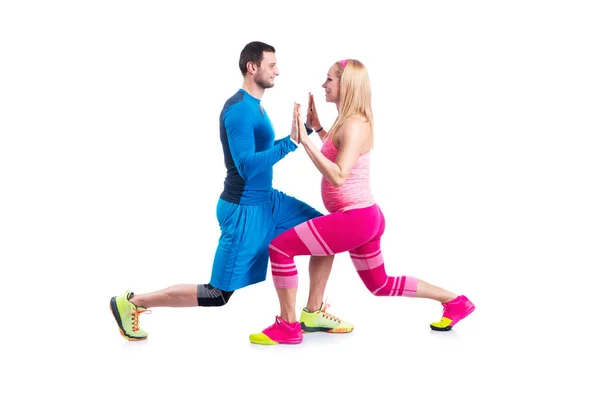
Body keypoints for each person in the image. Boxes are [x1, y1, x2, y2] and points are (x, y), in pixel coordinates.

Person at [110, 42, 353, 341]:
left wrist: (302, 131)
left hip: (270, 202)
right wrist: (292, 142)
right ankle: (132, 302)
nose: (278, 70)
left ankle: (313, 312)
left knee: (326, 234)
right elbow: (247, 166)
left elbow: (264, 152)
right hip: (243, 211)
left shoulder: (257, 107)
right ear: (252, 67)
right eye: (271, 64)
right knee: (217, 294)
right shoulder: (238, 111)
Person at [249, 59, 475, 345]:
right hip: (363, 218)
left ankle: (288, 326)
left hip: (355, 219)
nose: (324, 85)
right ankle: (455, 302)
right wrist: (318, 130)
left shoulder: (355, 124)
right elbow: (339, 151)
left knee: (279, 247)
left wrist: (305, 141)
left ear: (346, 85)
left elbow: (339, 175)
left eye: (329, 79)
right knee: (380, 284)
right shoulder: (348, 122)